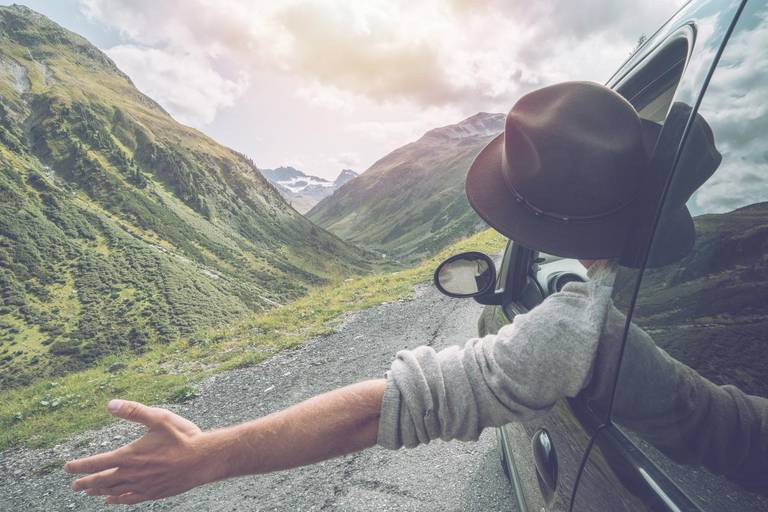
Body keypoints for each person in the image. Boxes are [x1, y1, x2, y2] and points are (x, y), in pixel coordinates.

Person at [64, 82, 768, 505]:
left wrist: (209, 451)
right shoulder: (646, 292)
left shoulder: (573, 329)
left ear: (545, 219)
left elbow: (387, 408)